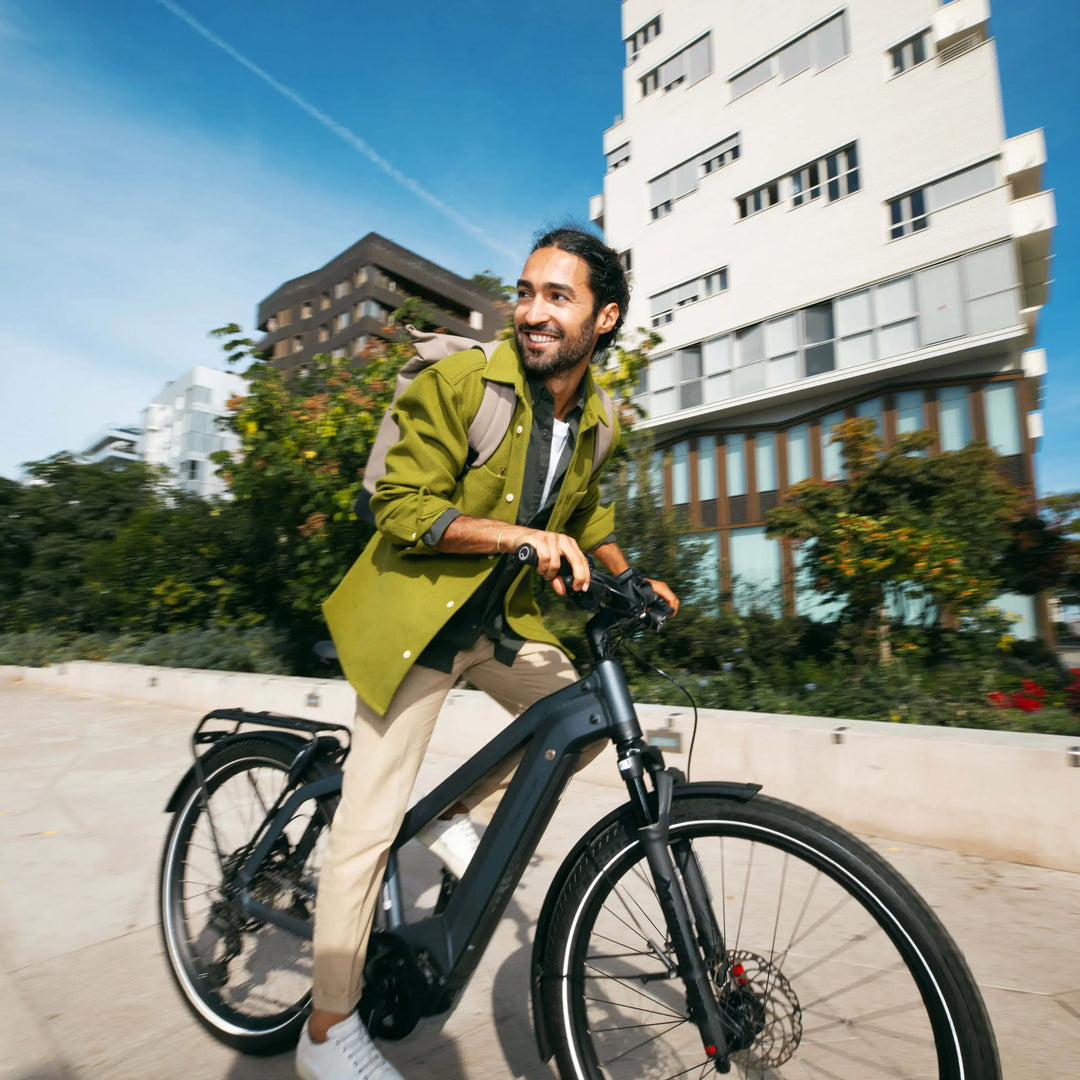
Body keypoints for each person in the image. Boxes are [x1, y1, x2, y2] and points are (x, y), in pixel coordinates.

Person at [295, 226, 678, 1080]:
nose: (534, 312)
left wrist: (634, 577)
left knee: (576, 718)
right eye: (528, 292)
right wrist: (520, 537)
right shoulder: (462, 382)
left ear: (604, 318)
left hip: (498, 625)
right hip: (415, 623)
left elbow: (588, 519)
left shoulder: (600, 419)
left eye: (559, 297)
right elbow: (398, 506)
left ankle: (452, 816)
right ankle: (325, 1031)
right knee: (367, 820)